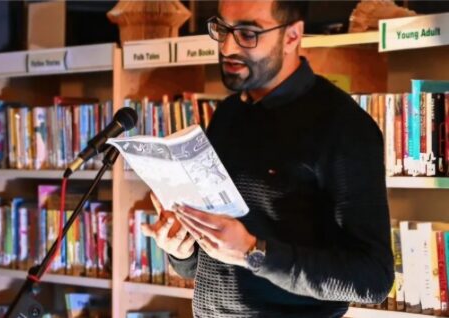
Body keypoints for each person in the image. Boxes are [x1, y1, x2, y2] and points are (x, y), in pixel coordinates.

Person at [141, 0, 395, 317]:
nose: (228, 47)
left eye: (248, 33)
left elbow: (373, 279)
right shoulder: (228, 114)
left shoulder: (343, 126)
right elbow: (210, 267)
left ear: (292, 36)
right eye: (223, 29)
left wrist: (255, 252)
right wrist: (181, 250)